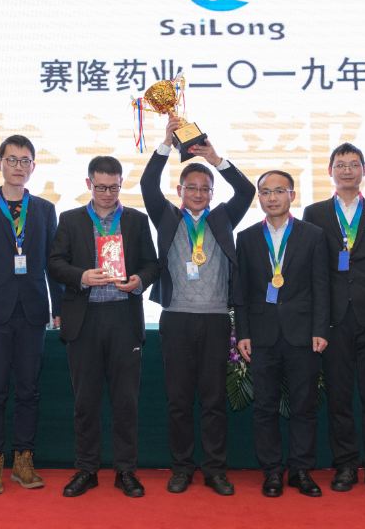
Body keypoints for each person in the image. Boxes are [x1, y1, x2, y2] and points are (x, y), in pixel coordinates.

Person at [139, 117, 255, 496]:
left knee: (213, 401)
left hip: (217, 321)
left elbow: (246, 190)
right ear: (180, 190)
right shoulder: (166, 217)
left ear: (211, 192)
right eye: (192, 187)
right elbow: (147, 185)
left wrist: (215, 158)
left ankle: (215, 469)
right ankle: (181, 468)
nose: (199, 193)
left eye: (205, 188)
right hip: (175, 320)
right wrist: (164, 144)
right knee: (178, 401)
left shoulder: (222, 218)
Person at [47, 156, 159, 498]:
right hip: (85, 319)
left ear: (121, 184)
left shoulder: (136, 220)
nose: (108, 194)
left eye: (114, 187)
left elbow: (152, 264)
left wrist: (138, 280)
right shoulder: (70, 219)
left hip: (124, 317)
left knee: (126, 401)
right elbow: (54, 263)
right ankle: (87, 469)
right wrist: (81, 276)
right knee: (86, 401)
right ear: (88, 185)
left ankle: (126, 470)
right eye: (101, 187)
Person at [0, 135, 63, 495]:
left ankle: (23, 462)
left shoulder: (45, 210)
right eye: (12, 160)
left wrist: (58, 308)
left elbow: (53, 264)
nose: (18, 166)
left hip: (33, 312)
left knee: (28, 391)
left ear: (33, 167)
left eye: (25, 161)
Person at [302, 143, 365, 495]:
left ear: (364, 170)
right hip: (333, 320)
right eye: (340, 164)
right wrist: (315, 322)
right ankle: (345, 465)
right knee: (340, 397)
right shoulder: (314, 213)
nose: (347, 170)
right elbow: (312, 272)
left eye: (354, 164)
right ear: (330, 171)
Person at [235, 171, 330, 498]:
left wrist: (320, 329)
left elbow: (321, 286)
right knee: (264, 407)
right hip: (261, 335)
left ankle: (301, 470)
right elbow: (242, 291)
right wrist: (242, 333)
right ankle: (272, 471)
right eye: (265, 192)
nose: (272, 197)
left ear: (292, 195)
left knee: (304, 407)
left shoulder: (313, 235)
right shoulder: (246, 237)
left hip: (303, 334)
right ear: (259, 197)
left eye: (279, 191)